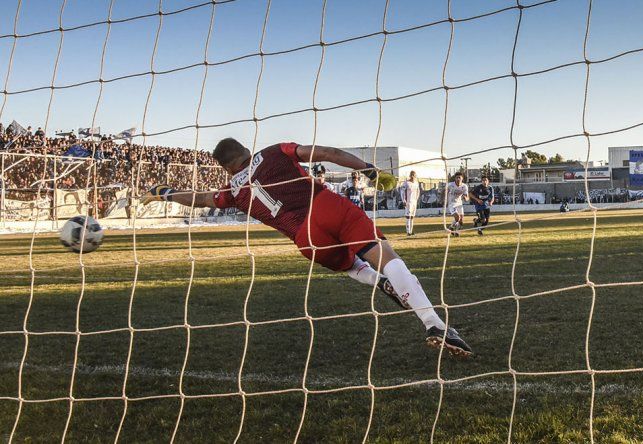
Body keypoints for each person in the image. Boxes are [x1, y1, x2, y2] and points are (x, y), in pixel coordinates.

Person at [143, 139, 472, 356]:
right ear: (246, 148)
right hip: (325, 205)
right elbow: (329, 154)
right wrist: (370, 171)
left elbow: (200, 200)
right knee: (387, 256)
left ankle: (378, 283)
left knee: (349, 265)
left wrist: (163, 191)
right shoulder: (273, 152)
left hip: (305, 238)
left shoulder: (232, 189)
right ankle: (435, 325)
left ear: (226, 167)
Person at [446, 172, 469, 237]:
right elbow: (444, 191)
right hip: (451, 203)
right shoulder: (450, 185)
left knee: (461, 221)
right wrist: (444, 200)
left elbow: (467, 197)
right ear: (455, 179)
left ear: (462, 179)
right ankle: (451, 228)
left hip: (459, 203)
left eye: (459, 178)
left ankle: (456, 231)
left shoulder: (464, 186)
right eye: (457, 178)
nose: (458, 179)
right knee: (457, 217)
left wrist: (465, 198)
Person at [399, 170, 420, 236]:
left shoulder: (416, 183)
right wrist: (404, 201)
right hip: (408, 202)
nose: (413, 177)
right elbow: (402, 192)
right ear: (410, 176)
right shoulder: (406, 183)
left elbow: (418, 191)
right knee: (408, 216)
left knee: (412, 217)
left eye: (414, 175)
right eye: (412, 175)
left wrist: (416, 199)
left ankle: (411, 231)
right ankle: (408, 232)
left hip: (414, 202)